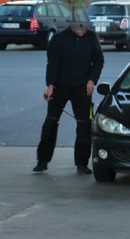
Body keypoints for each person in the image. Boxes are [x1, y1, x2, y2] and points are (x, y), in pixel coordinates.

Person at [33, 19, 104, 174]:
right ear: (71, 25)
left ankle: (82, 163)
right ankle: (42, 160)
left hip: (82, 88)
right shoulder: (59, 40)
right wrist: (50, 85)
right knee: (51, 123)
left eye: (86, 26)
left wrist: (92, 80)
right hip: (60, 87)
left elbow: (98, 61)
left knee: (84, 125)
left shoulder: (92, 38)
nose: (84, 29)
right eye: (81, 26)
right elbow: (52, 63)